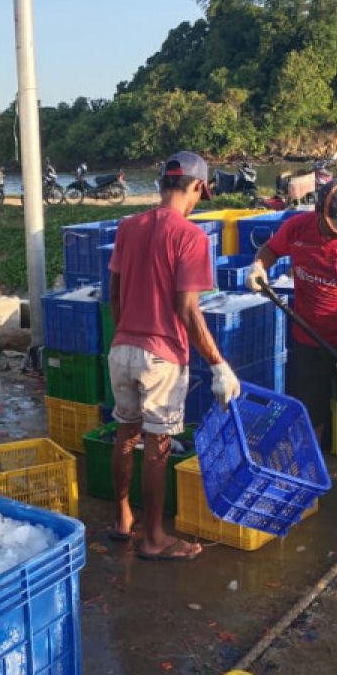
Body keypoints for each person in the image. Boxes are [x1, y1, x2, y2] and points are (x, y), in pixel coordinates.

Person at [108, 151, 241, 561]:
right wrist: (218, 363)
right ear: (198, 186)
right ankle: (153, 538)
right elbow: (188, 308)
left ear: (162, 183)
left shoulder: (128, 227)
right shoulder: (191, 236)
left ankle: (123, 519)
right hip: (161, 356)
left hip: (122, 347)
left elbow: (114, 292)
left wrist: (125, 331)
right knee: (157, 443)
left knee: (125, 434)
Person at [248, 180, 337, 496]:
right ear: (317, 214)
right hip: (308, 337)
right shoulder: (298, 228)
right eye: (334, 227)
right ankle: (309, 473)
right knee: (308, 411)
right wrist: (258, 267)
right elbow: (270, 251)